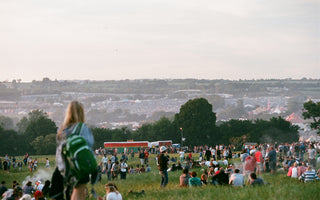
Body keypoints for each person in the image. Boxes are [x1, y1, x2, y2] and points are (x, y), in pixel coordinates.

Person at [52, 100, 95, 200]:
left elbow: (59, 150)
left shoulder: (62, 129)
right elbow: (89, 146)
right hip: (80, 166)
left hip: (64, 167)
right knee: (78, 194)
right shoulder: (83, 128)